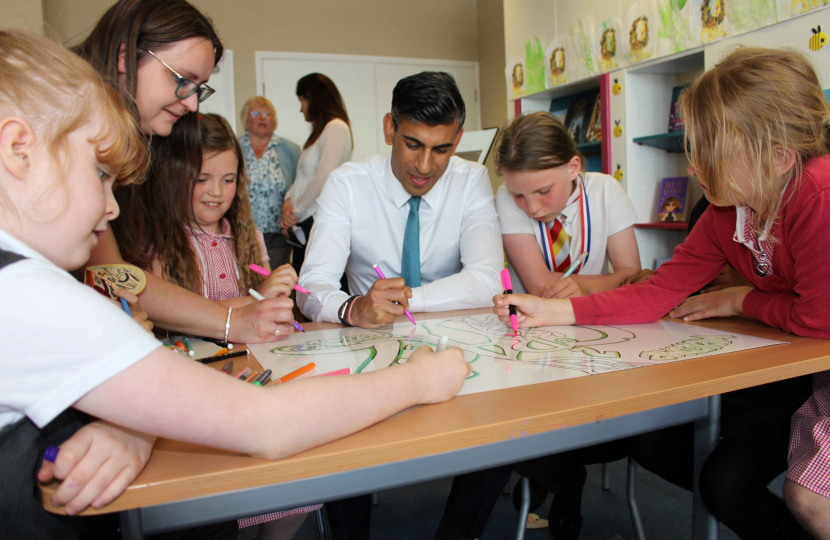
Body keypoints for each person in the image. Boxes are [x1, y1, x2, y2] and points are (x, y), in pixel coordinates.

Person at [0, 30, 470, 539]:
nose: (111, 208)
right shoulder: (27, 296)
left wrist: (136, 425)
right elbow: (267, 424)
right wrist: (423, 379)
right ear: (18, 149)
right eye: (98, 174)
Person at [493, 47, 826, 540]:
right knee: (682, 457)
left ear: (776, 157)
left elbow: (819, 320)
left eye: (707, 152)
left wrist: (740, 301)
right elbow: (658, 290)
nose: (693, 168)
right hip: (795, 365)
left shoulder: (817, 196)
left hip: (810, 362)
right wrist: (557, 309)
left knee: (751, 487)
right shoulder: (724, 212)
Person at [74, 0, 297, 344]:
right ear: (125, 57)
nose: (192, 103)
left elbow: (118, 277)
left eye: (200, 88)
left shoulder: (130, 139)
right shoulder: (79, 126)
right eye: (182, 79)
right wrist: (233, 322)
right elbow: (112, 273)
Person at [151, 113, 315, 539]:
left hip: (253, 373)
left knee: (301, 471)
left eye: (228, 180)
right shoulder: (159, 242)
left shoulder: (246, 235)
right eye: (202, 178)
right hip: (193, 387)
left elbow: (263, 319)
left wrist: (276, 294)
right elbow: (179, 313)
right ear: (173, 175)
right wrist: (255, 297)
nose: (216, 193)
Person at [296, 71, 503, 328]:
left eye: (441, 149)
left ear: (457, 140)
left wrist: (404, 302)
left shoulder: (472, 180)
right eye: (413, 145)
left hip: (449, 340)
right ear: (389, 129)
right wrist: (355, 308)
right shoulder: (346, 184)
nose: (425, 166)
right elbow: (311, 286)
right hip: (370, 342)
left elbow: (488, 280)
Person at [495, 111, 641, 299]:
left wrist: (587, 288)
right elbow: (540, 287)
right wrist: (610, 281)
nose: (532, 208)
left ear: (573, 168)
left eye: (544, 191)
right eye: (519, 195)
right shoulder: (505, 197)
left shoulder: (607, 190)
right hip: (531, 323)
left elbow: (633, 278)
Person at [281, 73, 353, 275]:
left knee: (313, 287)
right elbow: (302, 177)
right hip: (303, 221)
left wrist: (294, 213)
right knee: (302, 284)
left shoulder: (336, 128)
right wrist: (288, 201)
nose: (300, 108)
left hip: (314, 220)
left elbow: (324, 179)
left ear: (312, 97)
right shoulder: (318, 133)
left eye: (301, 100)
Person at [239, 97, 301, 268]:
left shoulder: (290, 150)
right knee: (245, 281)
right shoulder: (233, 147)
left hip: (277, 234)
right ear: (245, 119)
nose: (263, 117)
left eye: (268, 114)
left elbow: (299, 186)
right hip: (242, 231)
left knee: (274, 281)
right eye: (256, 113)